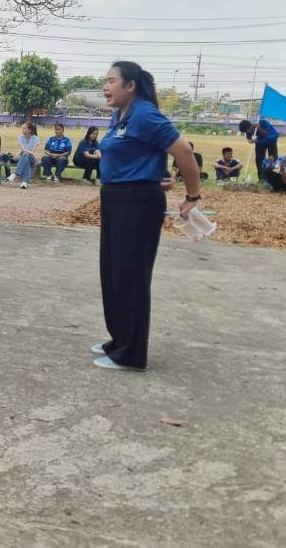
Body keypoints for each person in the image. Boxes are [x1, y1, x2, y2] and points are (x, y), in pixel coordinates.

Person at [94, 60, 201, 372]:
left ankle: (132, 354)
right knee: (113, 272)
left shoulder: (144, 113)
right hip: (116, 198)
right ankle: (120, 339)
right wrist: (157, 172)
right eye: (105, 81)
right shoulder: (120, 114)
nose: (105, 87)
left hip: (137, 203)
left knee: (131, 276)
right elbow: (139, 152)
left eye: (111, 81)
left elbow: (184, 151)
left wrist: (192, 196)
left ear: (131, 86)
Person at [7, 122, 39, 189]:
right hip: (24, 157)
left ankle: (15, 174)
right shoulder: (20, 137)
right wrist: (33, 154)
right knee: (26, 158)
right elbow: (23, 149)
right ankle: (24, 182)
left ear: (29, 130)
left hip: (31, 158)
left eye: (24, 128)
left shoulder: (35, 138)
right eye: (22, 128)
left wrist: (32, 153)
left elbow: (32, 152)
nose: (22, 129)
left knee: (26, 155)